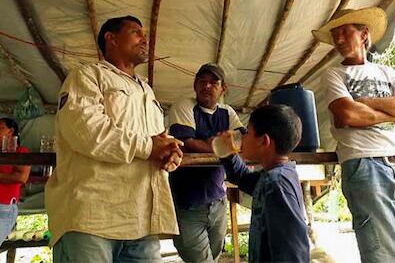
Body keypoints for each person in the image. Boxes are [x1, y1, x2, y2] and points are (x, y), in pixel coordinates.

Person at [45, 15, 183, 262]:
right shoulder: (87, 76)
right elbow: (87, 133)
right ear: (111, 39)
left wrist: (169, 151)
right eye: (136, 32)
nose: (145, 39)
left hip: (141, 218)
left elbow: (154, 140)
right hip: (92, 217)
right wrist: (150, 146)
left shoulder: (147, 91)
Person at [313, 7, 395, 262]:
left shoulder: (387, 73)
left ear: (364, 34)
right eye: (335, 35)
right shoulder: (333, 74)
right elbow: (348, 115)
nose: (338, 40)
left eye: (344, 32)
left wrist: (364, 102)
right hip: (364, 164)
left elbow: (358, 110)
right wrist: (391, 112)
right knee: (381, 253)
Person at [168, 63, 245, 262]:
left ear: (223, 88)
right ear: (195, 85)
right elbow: (186, 142)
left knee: (215, 256)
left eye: (213, 82)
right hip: (188, 204)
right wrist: (222, 145)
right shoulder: (184, 105)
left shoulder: (227, 112)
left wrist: (216, 144)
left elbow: (242, 141)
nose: (207, 86)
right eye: (202, 82)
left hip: (218, 200)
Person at [218, 105, 309, 262]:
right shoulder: (274, 176)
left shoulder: (277, 184)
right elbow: (242, 177)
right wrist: (228, 154)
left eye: (248, 132)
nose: (243, 138)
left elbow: (293, 249)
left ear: (263, 141)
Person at [0, 118, 30, 246]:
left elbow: (21, 177)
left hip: (4, 208)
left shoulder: (21, 152)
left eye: (0, 128)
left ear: (10, 131)